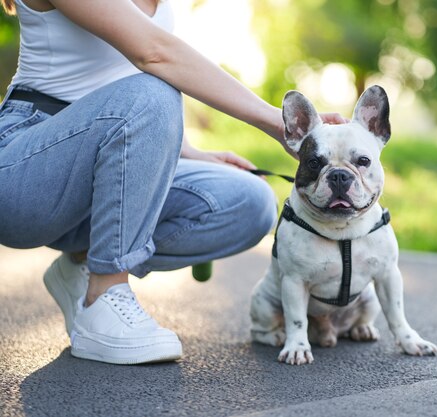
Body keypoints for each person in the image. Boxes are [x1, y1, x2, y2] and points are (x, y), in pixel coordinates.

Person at [0, 0, 345, 365]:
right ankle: (104, 294)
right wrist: (281, 124)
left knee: (249, 200)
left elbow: (119, 81)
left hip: (101, 153)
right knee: (154, 91)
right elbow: (154, 55)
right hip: (25, 165)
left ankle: (82, 264)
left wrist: (188, 152)